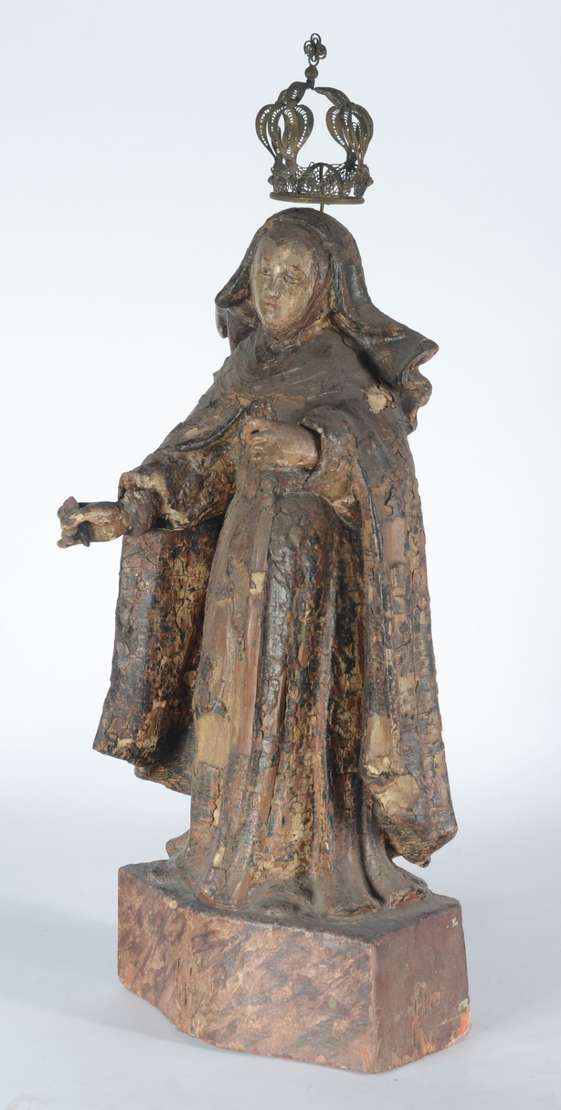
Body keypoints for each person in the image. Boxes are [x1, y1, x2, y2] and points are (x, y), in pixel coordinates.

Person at [58, 208, 456, 919]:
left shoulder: (343, 366)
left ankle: (305, 868)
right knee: (232, 694)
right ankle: (226, 849)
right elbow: (197, 458)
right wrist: (127, 512)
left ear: (328, 288)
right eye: (264, 273)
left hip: (314, 574)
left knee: (293, 704)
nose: (273, 290)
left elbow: (382, 460)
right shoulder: (247, 363)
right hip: (240, 560)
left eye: (292, 276)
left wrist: (314, 449)